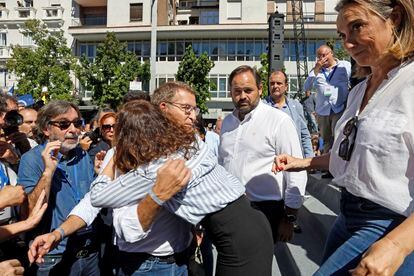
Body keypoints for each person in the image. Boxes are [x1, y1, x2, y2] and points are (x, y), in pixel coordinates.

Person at [274, 0, 414, 274]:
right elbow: (350, 155)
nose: (348, 43)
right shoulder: (358, 91)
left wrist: (398, 245)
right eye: (342, 35)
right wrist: (302, 162)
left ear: (394, 18)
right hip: (346, 214)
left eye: (357, 26)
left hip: (389, 223)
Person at [89, 100, 273, 276]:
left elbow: (97, 197)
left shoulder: (153, 170)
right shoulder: (190, 143)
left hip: (239, 240)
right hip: (252, 223)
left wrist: (114, 156)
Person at [218, 65, 307, 245]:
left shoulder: (279, 121)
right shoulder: (227, 123)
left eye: (248, 90)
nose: (242, 96)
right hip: (230, 207)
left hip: (265, 209)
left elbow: (295, 172)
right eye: (237, 91)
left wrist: (289, 218)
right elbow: (222, 164)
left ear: (259, 89)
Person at [18, 101, 101, 275]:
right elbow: (29, 213)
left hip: (89, 253)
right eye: (64, 124)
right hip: (53, 256)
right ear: (47, 129)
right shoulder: (31, 159)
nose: (73, 129)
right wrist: (48, 171)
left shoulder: (82, 155)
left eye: (77, 123)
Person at [304, 45, 352, 156]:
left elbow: (354, 80)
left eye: (324, 55)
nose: (322, 59)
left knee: (339, 137)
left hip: (339, 108)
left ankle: (338, 168)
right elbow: (306, 87)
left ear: (331, 54)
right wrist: (316, 70)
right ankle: (328, 168)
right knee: (326, 141)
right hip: (323, 111)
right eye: (319, 56)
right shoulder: (316, 71)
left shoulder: (345, 66)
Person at [264, 70, 314, 158]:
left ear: (286, 86)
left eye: (279, 83)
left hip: (294, 159)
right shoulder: (262, 107)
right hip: (270, 161)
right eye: (272, 83)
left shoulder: (296, 106)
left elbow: (304, 135)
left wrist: (309, 158)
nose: (275, 86)